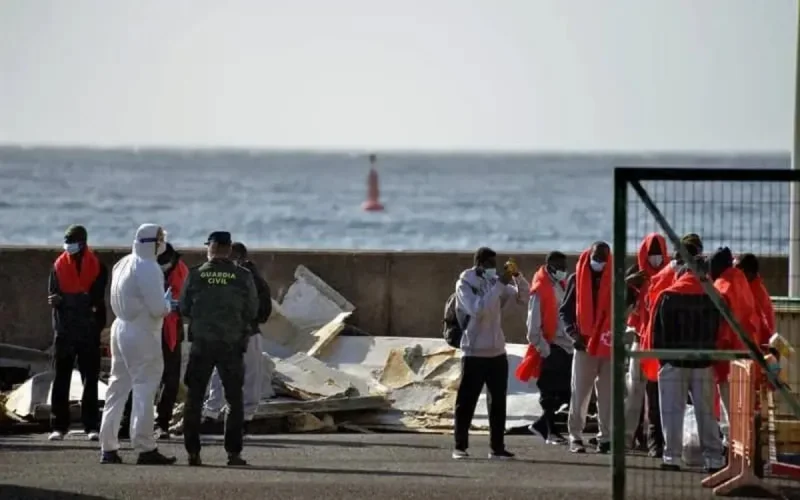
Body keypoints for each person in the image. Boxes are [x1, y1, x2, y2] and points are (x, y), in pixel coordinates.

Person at [98, 224, 176, 465]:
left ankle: (108, 447)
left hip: (120, 328)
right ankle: (144, 446)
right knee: (145, 388)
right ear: (153, 242)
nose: (162, 242)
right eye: (160, 238)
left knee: (117, 388)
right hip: (143, 331)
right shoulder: (149, 267)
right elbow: (157, 308)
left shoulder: (122, 263)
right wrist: (168, 305)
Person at [180, 231, 259, 467]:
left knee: (194, 397)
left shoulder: (196, 275)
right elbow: (252, 310)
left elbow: (184, 307)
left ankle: (193, 452)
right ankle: (233, 453)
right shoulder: (242, 276)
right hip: (232, 345)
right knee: (234, 399)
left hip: (202, 344)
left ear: (210, 248)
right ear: (228, 249)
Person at [650, 250, 729, 472]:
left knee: (671, 411)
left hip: (674, 362)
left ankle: (671, 457)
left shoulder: (668, 296)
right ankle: (714, 458)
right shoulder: (713, 296)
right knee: (706, 412)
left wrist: (664, 360)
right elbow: (719, 330)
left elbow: (658, 333)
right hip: (703, 362)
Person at [452, 247, 529, 460]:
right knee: (466, 401)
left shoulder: (496, 281)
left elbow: (523, 297)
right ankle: (460, 446)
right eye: (489, 264)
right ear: (479, 264)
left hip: (496, 352)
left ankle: (497, 447)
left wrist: (517, 277)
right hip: (473, 352)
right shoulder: (464, 284)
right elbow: (478, 310)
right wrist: (499, 284)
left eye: (495, 264)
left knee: (498, 403)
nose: (493, 268)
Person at [119, 242, 189, 440]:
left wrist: (174, 305)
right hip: (147, 327)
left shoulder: (180, 269)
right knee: (140, 375)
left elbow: (186, 298)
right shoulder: (143, 268)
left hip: (170, 329)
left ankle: (162, 423)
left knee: (170, 378)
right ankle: (128, 421)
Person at [47, 225, 108, 441]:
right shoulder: (58, 265)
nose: (68, 245)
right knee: (60, 379)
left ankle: (91, 426)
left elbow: (94, 299)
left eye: (72, 241)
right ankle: (58, 426)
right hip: (64, 330)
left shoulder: (98, 266)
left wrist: (68, 301)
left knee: (90, 379)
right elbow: (54, 295)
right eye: (66, 241)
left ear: (83, 243)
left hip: (88, 331)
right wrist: (72, 300)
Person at [203, 241, 272, 424]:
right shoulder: (247, 276)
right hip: (242, 332)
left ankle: (218, 414)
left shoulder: (247, 278)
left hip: (240, 333)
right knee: (238, 375)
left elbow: (263, 306)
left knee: (228, 375)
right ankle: (231, 415)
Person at [561, 241, 613, 454]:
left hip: (608, 346)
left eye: (603, 258)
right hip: (584, 345)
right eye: (596, 257)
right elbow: (565, 312)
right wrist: (573, 335)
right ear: (589, 255)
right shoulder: (576, 279)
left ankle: (606, 437)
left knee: (608, 395)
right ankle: (575, 436)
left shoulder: (615, 280)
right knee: (580, 393)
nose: (599, 262)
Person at [709, 247, 761, 449]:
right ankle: (742, 447)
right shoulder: (741, 282)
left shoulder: (722, 285)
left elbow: (722, 326)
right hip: (747, 352)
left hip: (728, 355)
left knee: (728, 405)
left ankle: (732, 448)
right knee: (743, 406)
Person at [623, 233, 669, 457]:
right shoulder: (636, 275)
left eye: (659, 254)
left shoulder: (670, 274)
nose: (655, 258)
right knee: (634, 391)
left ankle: (657, 440)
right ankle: (627, 437)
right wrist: (629, 287)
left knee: (658, 393)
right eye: (651, 255)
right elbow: (620, 306)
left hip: (661, 342)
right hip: (640, 341)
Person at [525, 251, 572, 445]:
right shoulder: (540, 290)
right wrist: (546, 350)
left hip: (565, 346)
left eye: (564, 267)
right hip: (552, 347)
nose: (563, 271)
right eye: (560, 267)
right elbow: (532, 328)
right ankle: (550, 431)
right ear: (550, 267)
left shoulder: (560, 286)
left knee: (566, 393)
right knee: (550, 393)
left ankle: (543, 426)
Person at [736, 253, 775, 345]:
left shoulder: (754, 293)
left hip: (759, 343)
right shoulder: (755, 287)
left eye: (739, 271)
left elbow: (762, 324)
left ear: (749, 274)